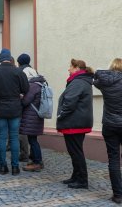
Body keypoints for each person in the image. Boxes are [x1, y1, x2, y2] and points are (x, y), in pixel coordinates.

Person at [0, 48, 29, 175]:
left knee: (2, 137)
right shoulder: (18, 72)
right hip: (15, 108)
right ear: (10, 58)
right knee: (14, 137)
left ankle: (2, 166)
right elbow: (26, 88)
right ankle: (15, 167)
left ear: (0, 59)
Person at [57, 58, 94, 189]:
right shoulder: (81, 81)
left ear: (77, 68)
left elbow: (70, 102)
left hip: (75, 122)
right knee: (74, 151)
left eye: (70, 67)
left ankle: (82, 180)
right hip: (76, 122)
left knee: (76, 151)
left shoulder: (78, 82)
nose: (68, 69)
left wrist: (61, 114)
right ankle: (76, 176)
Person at [94, 58, 122, 204]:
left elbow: (96, 79)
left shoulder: (106, 83)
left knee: (114, 159)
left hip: (110, 125)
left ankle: (118, 195)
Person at [20, 63, 46, 172]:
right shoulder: (40, 84)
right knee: (33, 139)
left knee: (33, 140)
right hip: (35, 117)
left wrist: (21, 97)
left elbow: (26, 101)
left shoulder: (33, 86)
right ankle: (36, 160)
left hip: (32, 117)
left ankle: (37, 162)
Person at [17, 53, 33, 162]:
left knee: (22, 129)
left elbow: (20, 88)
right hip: (34, 104)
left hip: (24, 102)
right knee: (31, 130)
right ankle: (33, 153)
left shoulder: (21, 72)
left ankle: (24, 154)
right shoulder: (34, 71)